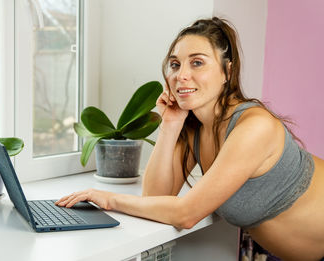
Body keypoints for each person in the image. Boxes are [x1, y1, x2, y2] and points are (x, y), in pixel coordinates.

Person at [56, 17, 324, 261]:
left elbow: (185, 214)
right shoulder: (195, 127)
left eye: (197, 62)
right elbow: (155, 197)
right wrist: (170, 126)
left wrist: (108, 199)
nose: (181, 75)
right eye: (175, 64)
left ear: (227, 72)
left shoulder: (255, 127)